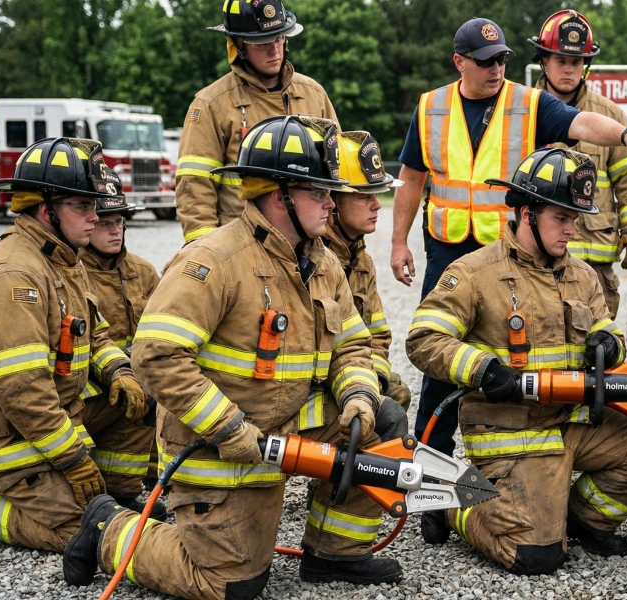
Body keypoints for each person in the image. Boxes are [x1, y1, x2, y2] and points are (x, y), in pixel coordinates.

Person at [60, 116, 401, 600]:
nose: (331, 202)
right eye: (318, 191)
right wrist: (229, 429)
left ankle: (333, 554)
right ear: (277, 193)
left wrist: (360, 397)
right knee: (231, 585)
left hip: (283, 433)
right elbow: (156, 356)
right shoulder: (215, 261)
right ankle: (108, 530)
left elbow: (352, 344)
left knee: (381, 428)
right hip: (218, 448)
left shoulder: (322, 260)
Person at [389, 16, 627, 461]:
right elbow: (412, 177)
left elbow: (583, 124)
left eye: (500, 60)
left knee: (518, 353)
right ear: (459, 62)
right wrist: (399, 242)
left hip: (508, 252)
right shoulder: (431, 107)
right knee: (440, 357)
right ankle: (431, 465)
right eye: (484, 62)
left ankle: (520, 454)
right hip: (448, 248)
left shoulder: (529, 103)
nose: (495, 69)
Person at [405, 148, 627, 575]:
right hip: (515, 431)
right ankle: (457, 502)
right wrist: (483, 369)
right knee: (535, 556)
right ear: (527, 213)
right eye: (562, 218)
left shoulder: (583, 274)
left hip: (575, 418)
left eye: (577, 218)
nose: (573, 230)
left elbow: (608, 326)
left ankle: (582, 521)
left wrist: (609, 344)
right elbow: (424, 338)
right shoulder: (475, 273)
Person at [0, 137, 146, 554]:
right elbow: (23, 392)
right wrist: (73, 460)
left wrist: (120, 372)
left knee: (140, 397)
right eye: (83, 206)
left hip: (53, 415)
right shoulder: (13, 277)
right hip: (2, 438)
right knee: (84, 533)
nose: (97, 218)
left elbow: (93, 334)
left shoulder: (63, 256)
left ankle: (114, 492)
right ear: (47, 210)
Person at [175, 0, 337, 243]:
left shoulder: (313, 94)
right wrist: (207, 251)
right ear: (237, 45)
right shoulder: (211, 104)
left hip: (309, 245)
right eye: (261, 42)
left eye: (279, 38)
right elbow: (195, 188)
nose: (274, 49)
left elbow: (338, 170)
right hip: (244, 246)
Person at [530, 9, 627, 315]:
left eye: (576, 61)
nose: (569, 69)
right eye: (561, 60)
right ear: (544, 60)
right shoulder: (522, 109)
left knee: (598, 343)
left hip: (594, 259)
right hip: (535, 254)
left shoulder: (609, 116)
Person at [79, 186, 165, 495]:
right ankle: (121, 490)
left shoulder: (142, 272)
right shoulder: (73, 275)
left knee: (161, 388)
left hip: (131, 375)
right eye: (105, 224)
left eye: (120, 222)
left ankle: (145, 483)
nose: (116, 231)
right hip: (86, 386)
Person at [326, 131, 413, 412]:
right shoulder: (312, 259)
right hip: (320, 381)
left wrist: (373, 379)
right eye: (365, 196)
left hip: (354, 374)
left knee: (396, 392)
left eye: (377, 195)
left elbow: (377, 335)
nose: (377, 205)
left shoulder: (360, 259)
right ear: (332, 200)